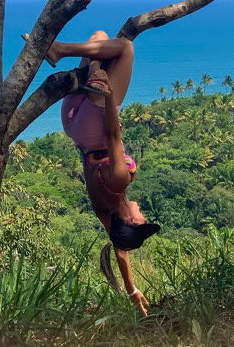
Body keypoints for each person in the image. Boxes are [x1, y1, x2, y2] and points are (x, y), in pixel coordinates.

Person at [46, 31, 160, 317]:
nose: (143, 215)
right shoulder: (103, 208)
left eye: (141, 221)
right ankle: (93, 68)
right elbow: (120, 249)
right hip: (73, 126)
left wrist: (109, 96)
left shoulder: (119, 182)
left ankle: (60, 49)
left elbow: (111, 133)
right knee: (100, 37)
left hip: (95, 122)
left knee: (124, 48)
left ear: (131, 220)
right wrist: (132, 290)